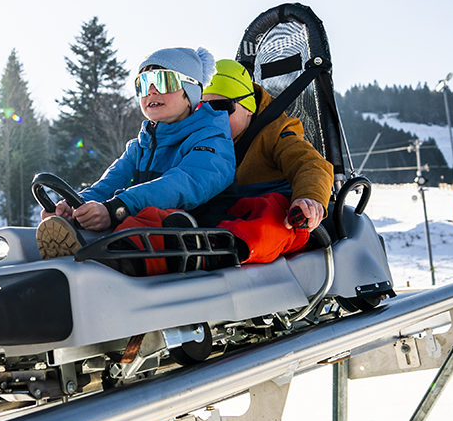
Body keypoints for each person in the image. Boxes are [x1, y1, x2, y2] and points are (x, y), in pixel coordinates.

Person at [0, 47, 235, 276]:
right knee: (89, 226)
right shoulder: (142, 145)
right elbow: (110, 183)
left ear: (190, 91)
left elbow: (182, 184)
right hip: (132, 228)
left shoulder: (211, 140)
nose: (151, 91)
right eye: (143, 84)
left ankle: (78, 258)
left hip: (184, 238)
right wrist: (79, 206)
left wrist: (117, 209)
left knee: (144, 221)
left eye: (162, 80)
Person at [115, 58, 334, 270]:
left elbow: (311, 165)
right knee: (174, 210)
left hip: (278, 215)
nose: (211, 114)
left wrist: (309, 198)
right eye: (202, 108)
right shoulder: (201, 139)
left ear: (248, 107)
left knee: (272, 216)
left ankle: (217, 249)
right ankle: (134, 245)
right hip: (221, 212)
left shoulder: (276, 133)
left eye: (221, 106)